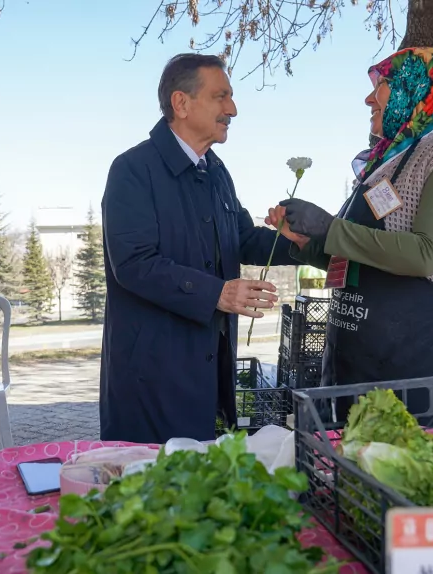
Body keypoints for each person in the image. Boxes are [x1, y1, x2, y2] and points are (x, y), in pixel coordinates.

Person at [267, 47, 433, 423]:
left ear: (418, 89)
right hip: (357, 356)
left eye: (382, 85)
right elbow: (363, 257)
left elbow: (425, 255)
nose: (368, 98)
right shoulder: (384, 164)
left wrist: (331, 228)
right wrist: (310, 245)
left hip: (420, 357)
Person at [100, 53, 295, 444]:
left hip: (209, 375)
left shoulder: (216, 171)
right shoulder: (133, 170)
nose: (233, 109)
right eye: (221, 97)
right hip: (152, 380)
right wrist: (217, 293)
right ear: (181, 103)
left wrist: (297, 240)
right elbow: (134, 264)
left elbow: (242, 238)